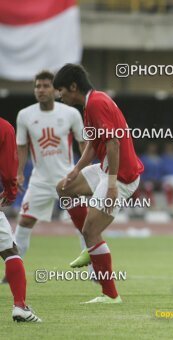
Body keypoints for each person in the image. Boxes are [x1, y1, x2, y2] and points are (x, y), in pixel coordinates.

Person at [53, 64, 144, 304]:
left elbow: (113, 143)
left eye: (60, 90)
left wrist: (112, 185)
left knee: (91, 230)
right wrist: (76, 170)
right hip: (106, 168)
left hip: (121, 176)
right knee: (63, 187)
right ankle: (90, 247)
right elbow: (94, 144)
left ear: (73, 86)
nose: (59, 96)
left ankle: (110, 295)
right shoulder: (90, 103)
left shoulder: (96, 103)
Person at [9, 71, 86, 268]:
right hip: (40, 180)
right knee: (24, 222)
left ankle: (96, 272)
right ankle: (12, 272)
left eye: (45, 86)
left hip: (68, 179)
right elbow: (22, 146)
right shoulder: (25, 115)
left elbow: (83, 143)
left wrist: (85, 171)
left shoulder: (70, 113)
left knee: (85, 225)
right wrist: (18, 173)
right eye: (37, 86)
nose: (41, 90)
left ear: (55, 90)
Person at [0, 117, 42, 322]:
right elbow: (9, 170)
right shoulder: (4, 127)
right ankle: (20, 306)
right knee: (10, 252)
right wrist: (10, 192)